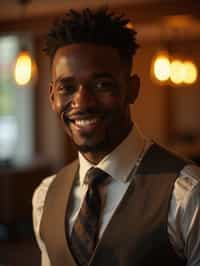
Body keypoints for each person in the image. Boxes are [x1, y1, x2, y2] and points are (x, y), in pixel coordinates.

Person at [32, 7, 200, 266]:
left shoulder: (187, 194)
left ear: (132, 90)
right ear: (52, 96)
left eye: (102, 85)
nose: (82, 102)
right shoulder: (44, 196)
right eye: (67, 88)